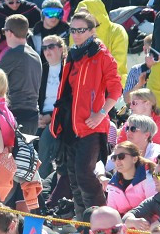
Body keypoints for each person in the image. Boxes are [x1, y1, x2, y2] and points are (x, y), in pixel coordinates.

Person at [51, 11, 122, 217]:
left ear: (92, 31)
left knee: (84, 174)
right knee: (73, 177)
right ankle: (83, 225)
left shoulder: (101, 54)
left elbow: (115, 89)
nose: (76, 34)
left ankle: (102, 219)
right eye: (73, 30)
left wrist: (101, 113)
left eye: (81, 30)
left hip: (92, 125)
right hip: (71, 125)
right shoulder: (73, 54)